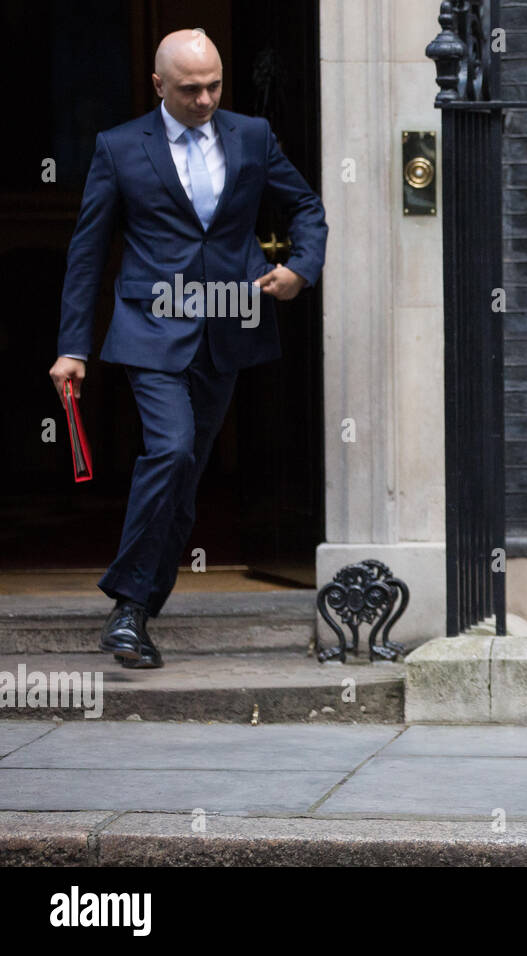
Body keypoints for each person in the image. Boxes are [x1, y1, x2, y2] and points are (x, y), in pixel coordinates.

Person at [48, 28, 328, 669]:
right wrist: (73, 348)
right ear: (158, 86)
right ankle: (127, 607)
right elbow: (87, 254)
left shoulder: (252, 136)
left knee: (185, 473)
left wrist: (300, 269)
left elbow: (306, 206)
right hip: (151, 326)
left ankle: (138, 609)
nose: (205, 99)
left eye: (214, 85)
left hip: (229, 326)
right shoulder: (119, 149)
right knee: (170, 450)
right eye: (189, 88)